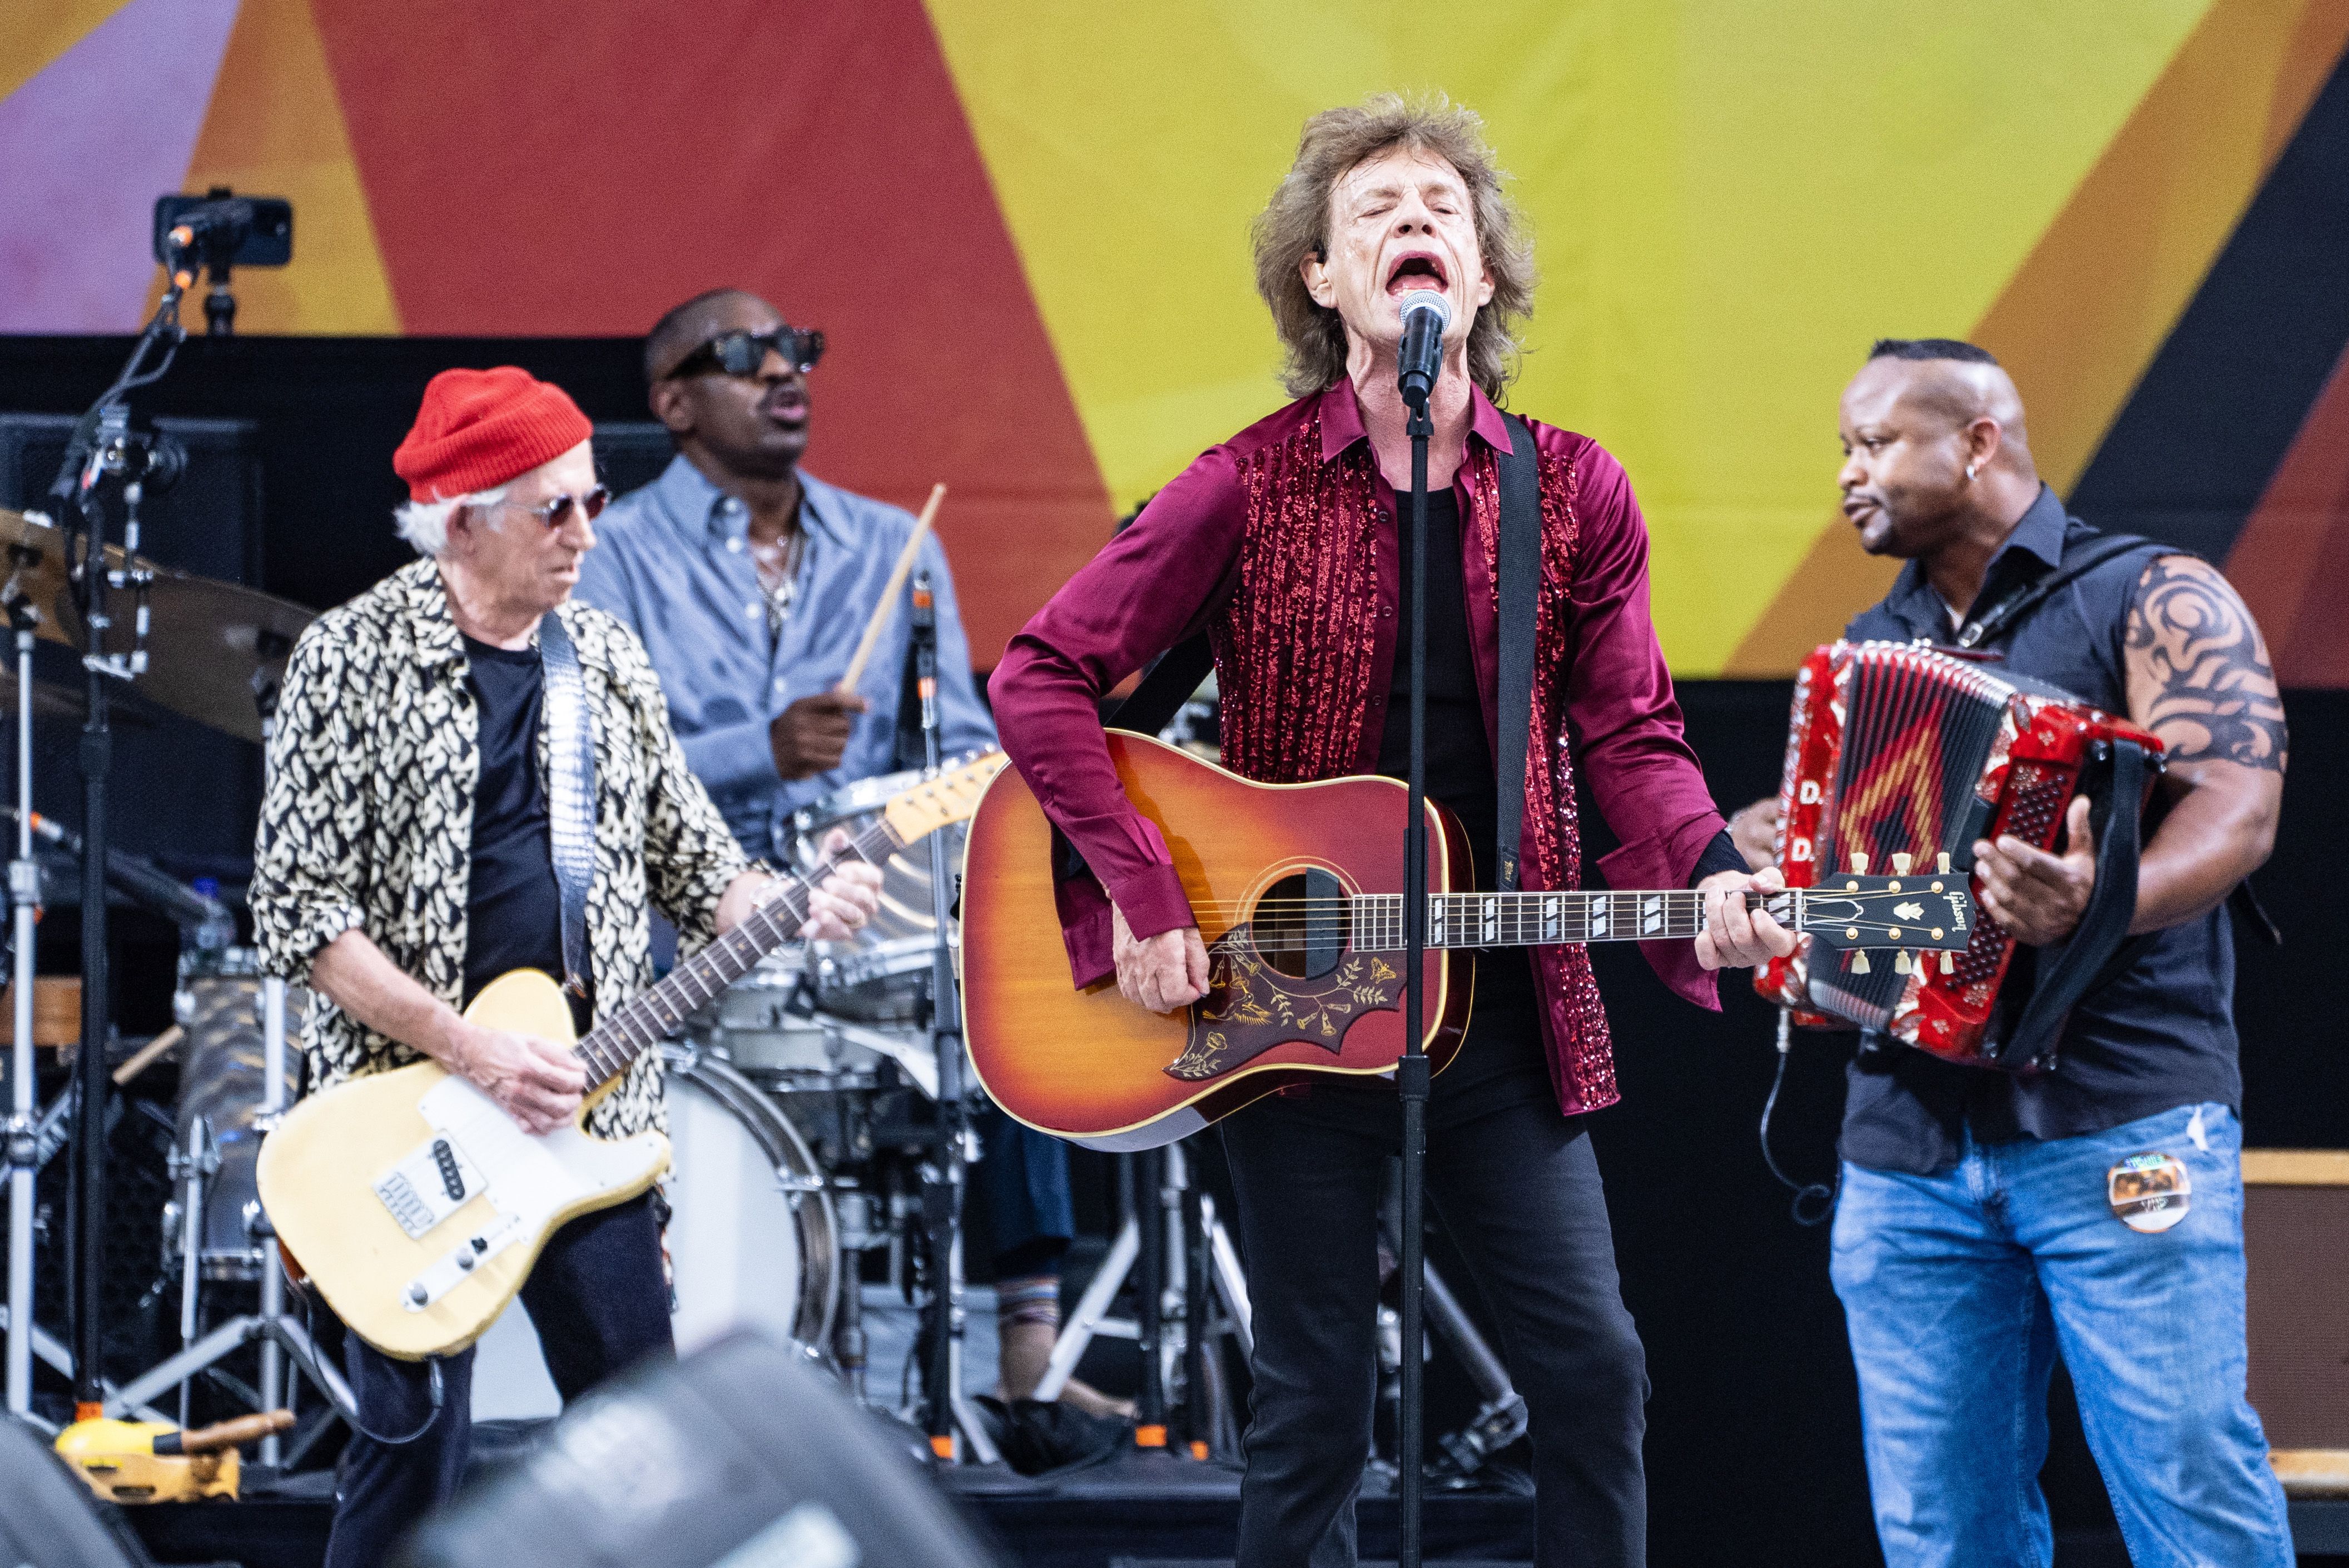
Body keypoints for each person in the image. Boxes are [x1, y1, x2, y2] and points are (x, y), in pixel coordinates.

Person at [990, 94, 1791, 1568]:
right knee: (1314, 1400)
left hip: (1498, 1011)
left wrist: (1710, 874)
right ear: (1320, 275)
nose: (1415, 222)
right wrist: (1144, 894)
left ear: (1481, 277)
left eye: (1443, 211)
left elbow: (1632, 731)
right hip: (1280, 1009)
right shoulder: (1242, 485)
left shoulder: (1571, 488)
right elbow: (1040, 675)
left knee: (1594, 1369)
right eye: (1375, 210)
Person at [250, 366, 883, 1568]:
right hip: (406, 1123)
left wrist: (794, 904)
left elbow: (698, 865)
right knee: (409, 1462)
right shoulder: (350, 657)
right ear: (462, 521)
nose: (586, 533)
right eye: (555, 509)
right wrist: (470, 1047)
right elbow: (301, 913)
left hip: (588, 1115)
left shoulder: (602, 658)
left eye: (594, 501)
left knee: (650, 1443)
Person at [1727, 338, 2293, 1567]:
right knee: (1944, 1531)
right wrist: (1781, 863)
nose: (1848, 473)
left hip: (2121, 1119)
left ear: (1977, 442)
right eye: (1845, 448)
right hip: (1909, 1147)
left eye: (1875, 443)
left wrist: (2097, 900)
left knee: (2191, 1492)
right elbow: (1886, 901)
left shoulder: (2150, 593)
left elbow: (2240, 810)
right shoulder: (1871, 645)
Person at [573, 289, 1105, 1412]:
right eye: (744, 354)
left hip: (863, 906)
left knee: (1009, 973)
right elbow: (591, 763)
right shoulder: (610, 555)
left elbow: (960, 747)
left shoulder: (894, 545)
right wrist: (757, 753)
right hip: (689, 929)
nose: (783, 372)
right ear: (673, 402)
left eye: (797, 350)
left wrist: (965, 789)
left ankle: (1030, 1344)